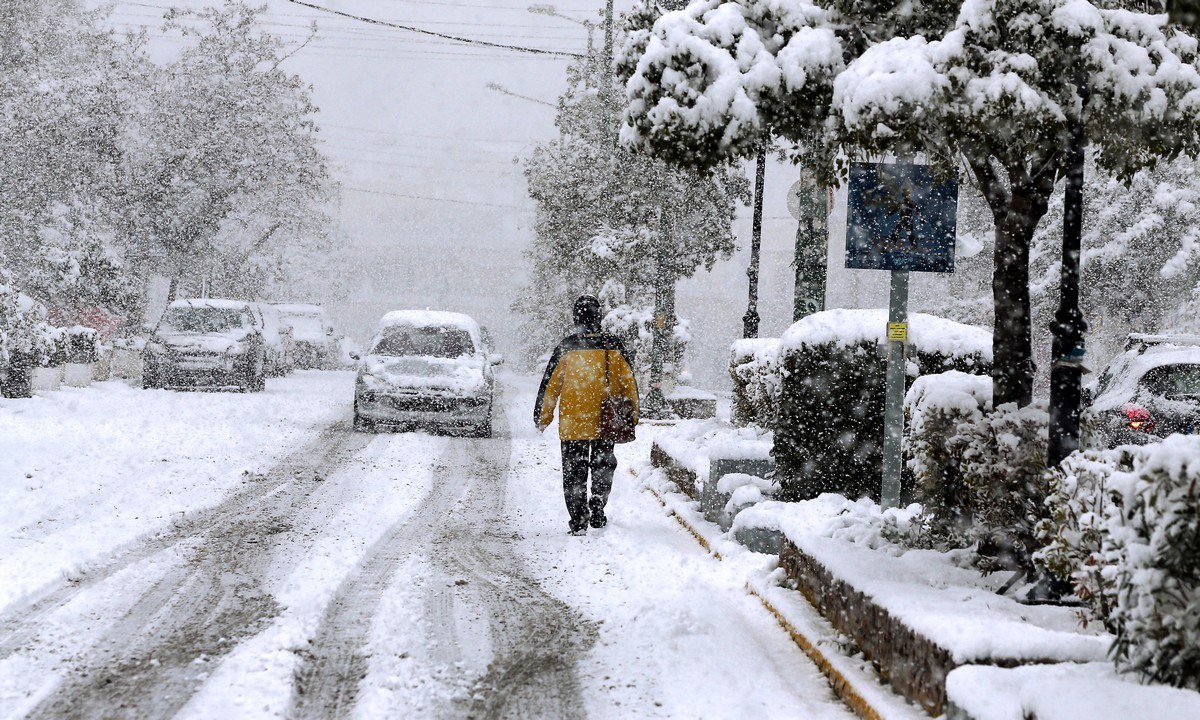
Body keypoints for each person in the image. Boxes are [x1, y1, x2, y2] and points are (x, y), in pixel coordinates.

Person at [535, 295, 639, 535]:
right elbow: (629, 383)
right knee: (603, 466)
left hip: (574, 422)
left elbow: (550, 386)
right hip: (605, 421)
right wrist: (632, 414)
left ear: (576, 318)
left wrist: (543, 417)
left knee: (574, 472)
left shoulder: (567, 347)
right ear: (599, 316)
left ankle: (579, 520)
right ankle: (598, 504)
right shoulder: (613, 346)